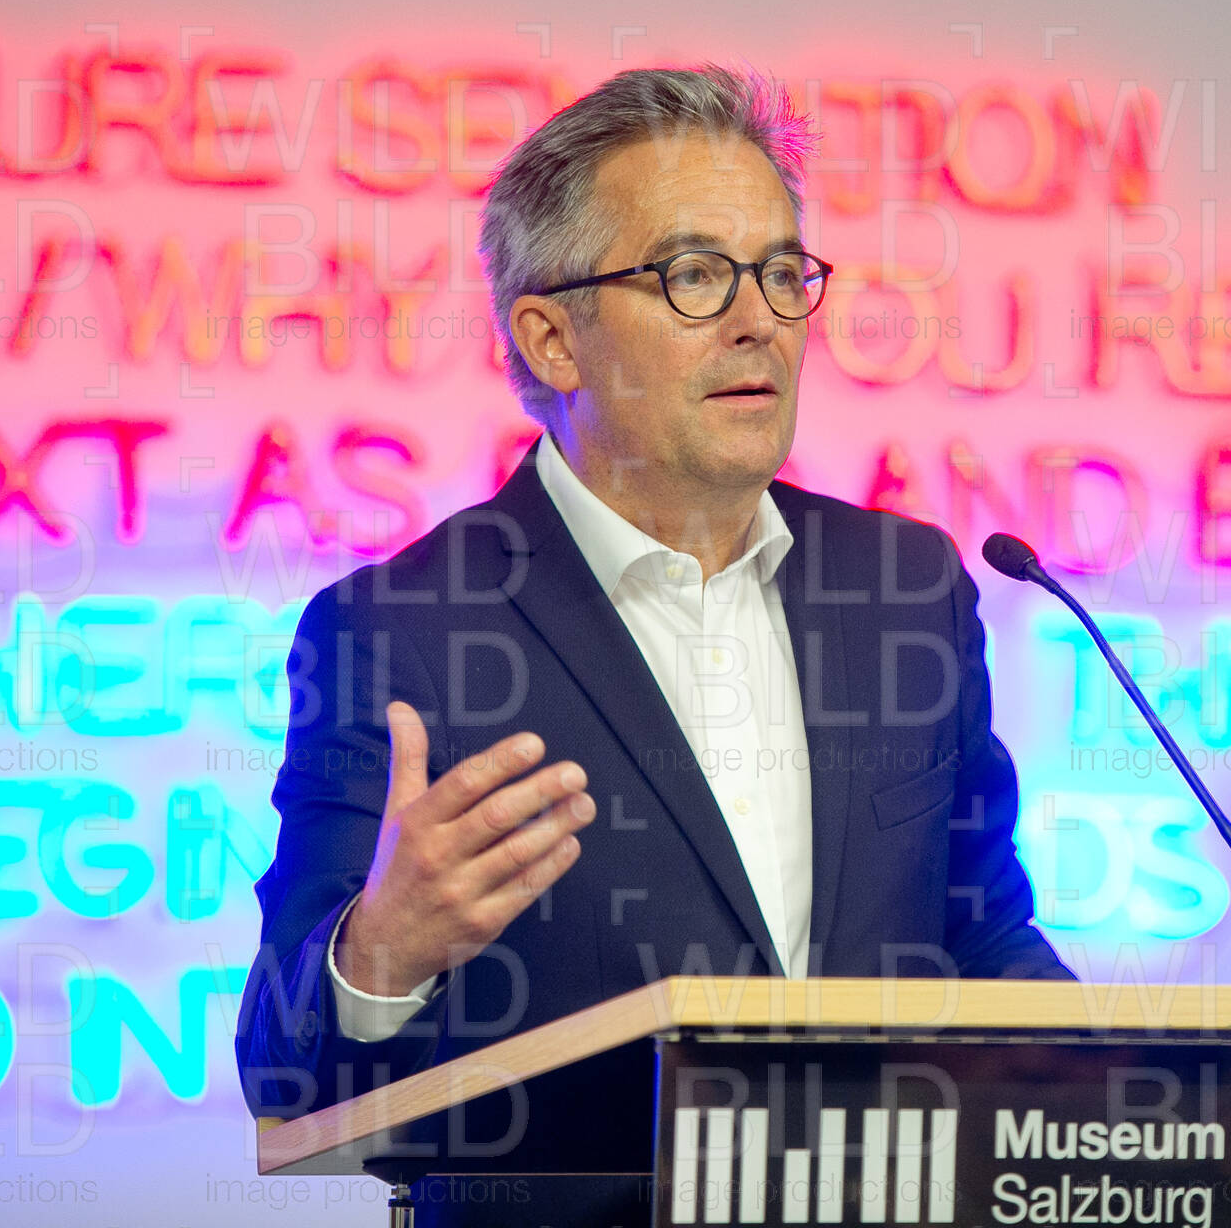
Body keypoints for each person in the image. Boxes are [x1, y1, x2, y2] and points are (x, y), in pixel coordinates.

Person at [236, 64, 1072, 1165]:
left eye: (782, 272)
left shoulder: (904, 590)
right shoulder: (401, 634)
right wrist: (384, 950)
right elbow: (285, 1077)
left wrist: (1143, 1091)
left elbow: (984, 939)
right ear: (553, 339)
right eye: (694, 277)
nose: (759, 322)